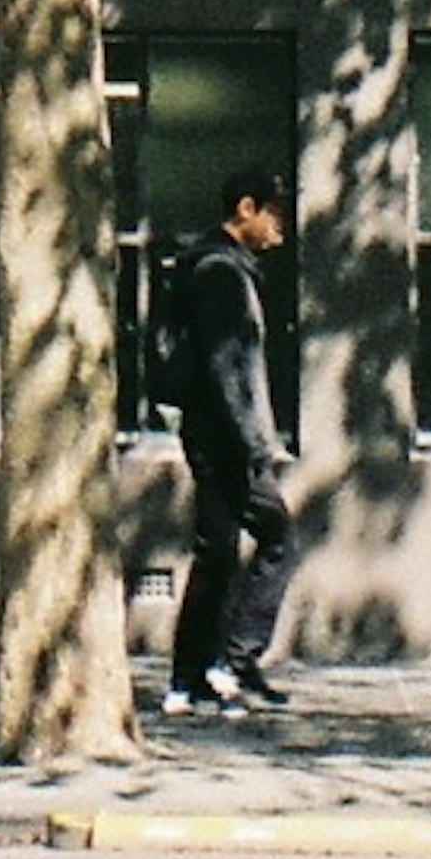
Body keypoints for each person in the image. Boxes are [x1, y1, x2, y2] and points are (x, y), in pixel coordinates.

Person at [159, 167, 298, 721]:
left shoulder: (209, 267)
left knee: (217, 554)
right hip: (227, 440)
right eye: (275, 216)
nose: (281, 231)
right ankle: (231, 662)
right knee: (278, 538)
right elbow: (228, 367)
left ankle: (188, 681)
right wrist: (253, 441)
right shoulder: (222, 274)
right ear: (247, 208)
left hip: (210, 434)